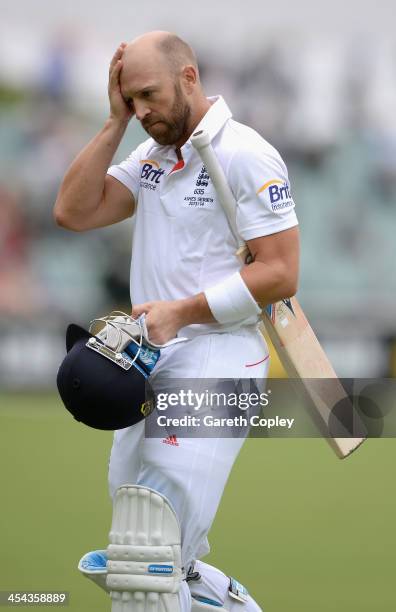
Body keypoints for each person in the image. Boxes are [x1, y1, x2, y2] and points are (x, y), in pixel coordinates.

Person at [54, 31, 299, 612]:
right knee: (155, 554)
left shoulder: (245, 153)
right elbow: (72, 211)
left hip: (220, 354)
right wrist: (113, 123)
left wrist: (183, 312)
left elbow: (282, 274)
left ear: (189, 77)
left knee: (147, 546)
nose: (142, 111)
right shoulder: (152, 156)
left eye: (148, 95)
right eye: (130, 100)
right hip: (150, 358)